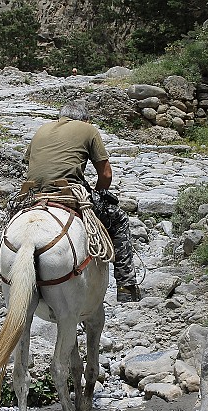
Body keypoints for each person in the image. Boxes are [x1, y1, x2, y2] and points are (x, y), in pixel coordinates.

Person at [24, 101, 141, 303]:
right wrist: (99, 193)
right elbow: (106, 174)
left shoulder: (41, 130)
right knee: (119, 220)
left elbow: (31, 163)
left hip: (34, 193)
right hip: (69, 193)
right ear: (85, 119)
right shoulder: (88, 129)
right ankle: (125, 285)